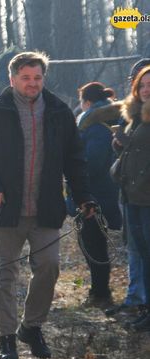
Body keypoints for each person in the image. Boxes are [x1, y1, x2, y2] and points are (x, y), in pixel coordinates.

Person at [0, 52, 95, 359]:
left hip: (47, 209)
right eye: (25, 78)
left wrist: (84, 195)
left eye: (37, 78)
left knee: (49, 267)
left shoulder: (59, 112)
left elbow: (75, 159)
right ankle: (7, 339)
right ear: (12, 79)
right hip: (5, 209)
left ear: (43, 79)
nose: (32, 84)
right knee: (6, 273)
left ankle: (31, 328)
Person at [106, 59, 150, 317]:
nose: (146, 89)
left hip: (146, 197)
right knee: (139, 251)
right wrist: (121, 145)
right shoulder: (135, 116)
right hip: (132, 196)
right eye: (141, 85)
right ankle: (141, 305)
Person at [72, 82, 122, 308]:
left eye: (81, 102)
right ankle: (100, 290)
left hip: (94, 195)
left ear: (88, 103)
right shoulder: (114, 118)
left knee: (93, 245)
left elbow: (92, 163)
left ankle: (100, 293)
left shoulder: (93, 125)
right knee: (96, 243)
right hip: (110, 192)